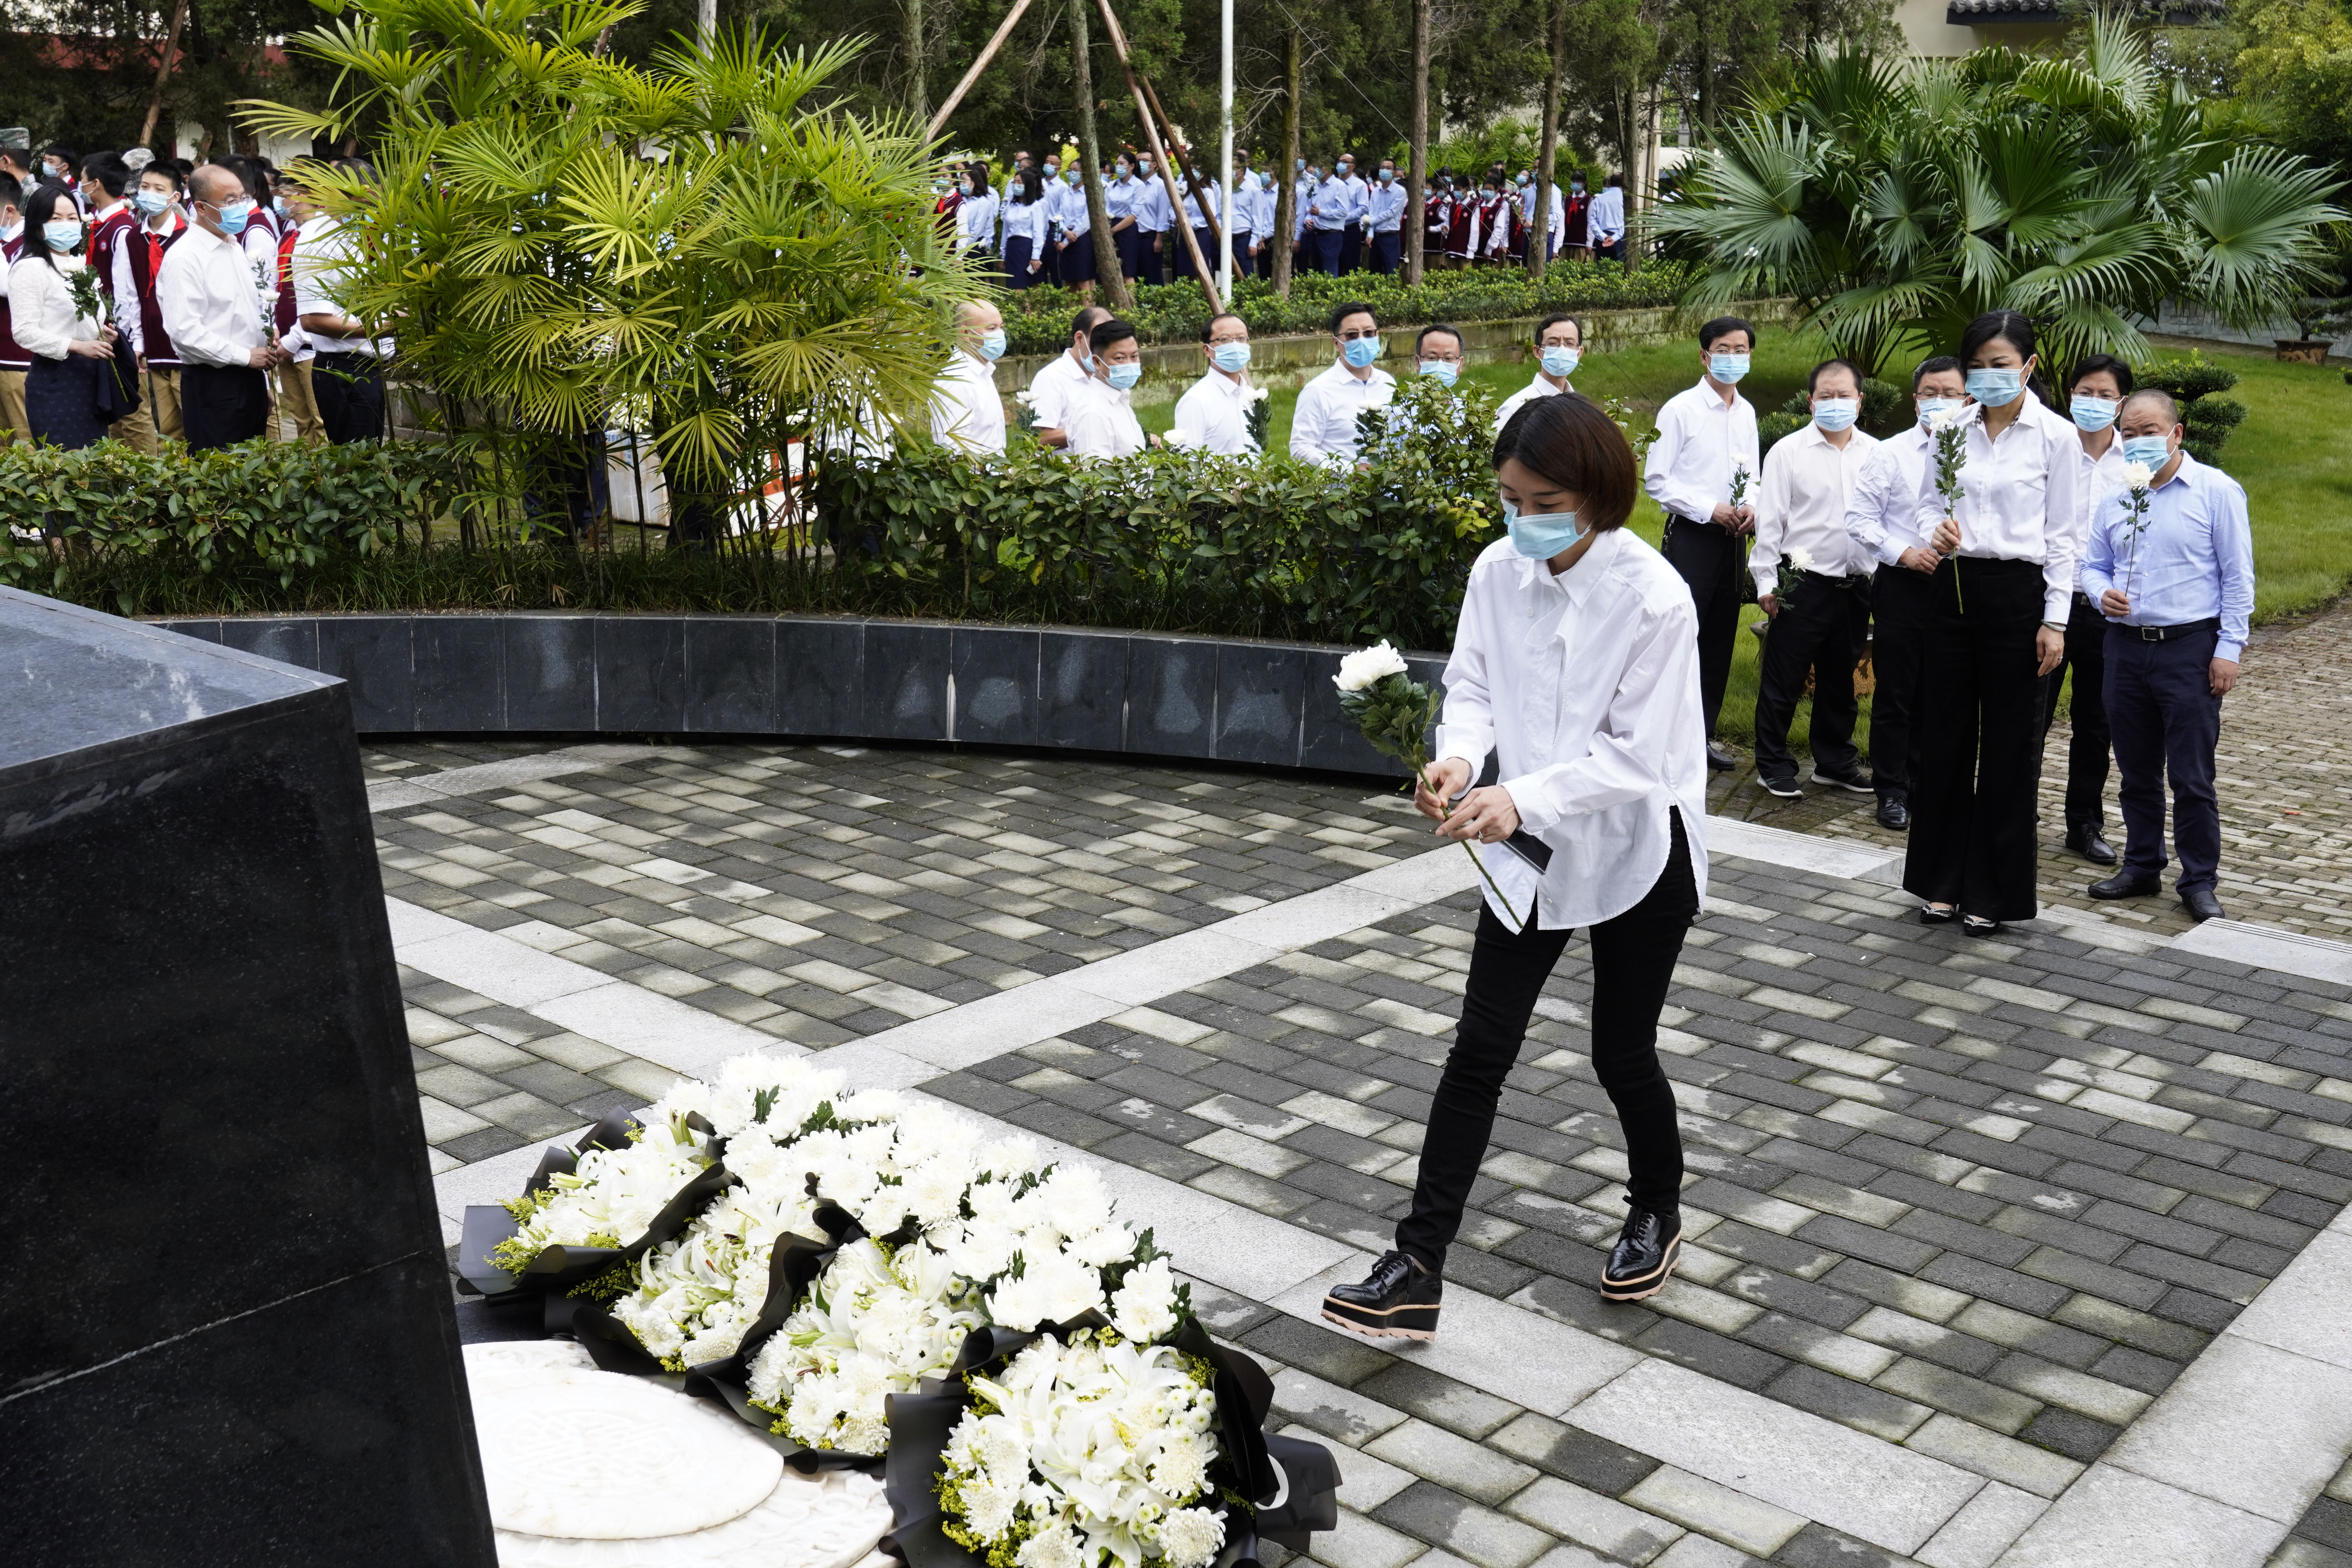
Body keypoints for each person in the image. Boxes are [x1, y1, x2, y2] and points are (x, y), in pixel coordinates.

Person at [1321, 392, 1709, 1340]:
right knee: (1478, 1049)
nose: (1522, 517)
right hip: (1523, 846)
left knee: (1620, 1049)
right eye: (1509, 496)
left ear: (1596, 495)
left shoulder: (1655, 596)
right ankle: (1416, 1263)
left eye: (1543, 501)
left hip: (1635, 846)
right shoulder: (1497, 568)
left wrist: (1519, 796)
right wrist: (1457, 758)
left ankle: (1655, 1206)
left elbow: (1637, 758)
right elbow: (1474, 685)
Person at [1905, 310, 2079, 934]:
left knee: (2009, 747)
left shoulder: (2056, 437)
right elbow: (1927, 499)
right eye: (1976, 366)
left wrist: (2054, 621)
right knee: (1946, 735)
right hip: (1952, 589)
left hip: (2018, 596)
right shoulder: (1949, 426)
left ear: (2029, 366)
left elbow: (2065, 536)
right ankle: (1939, 882)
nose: (1987, 376)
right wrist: (1937, 527)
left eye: (2000, 365)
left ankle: (1993, 891)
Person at [2078, 391, 2252, 923]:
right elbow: (2093, 564)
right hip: (2126, 649)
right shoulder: (2116, 497)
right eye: (2128, 433)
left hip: (2190, 650)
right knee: (2135, 770)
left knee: (2192, 776)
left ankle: (2199, 880)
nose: (2137, 442)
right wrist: (2098, 591)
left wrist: (2229, 649)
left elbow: (2237, 577)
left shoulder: (2215, 491)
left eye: (2149, 431)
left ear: (2176, 434)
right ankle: (2142, 864)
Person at [1748, 359, 1881, 798]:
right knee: (1784, 678)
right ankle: (1772, 764)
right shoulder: (1788, 452)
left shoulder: (1876, 454)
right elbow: (1770, 524)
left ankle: (1835, 762)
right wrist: (1766, 583)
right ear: (1811, 401)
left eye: (1845, 395)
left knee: (1841, 681)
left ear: (1860, 401)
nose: (1836, 403)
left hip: (1855, 585)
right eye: (1826, 395)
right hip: (1802, 584)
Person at [1844, 356, 1967, 831]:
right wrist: (1903, 553)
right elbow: (1859, 520)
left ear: (1967, 399)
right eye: (1930, 393)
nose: (1940, 402)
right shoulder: (1891, 453)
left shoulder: (1978, 451)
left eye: (1950, 394)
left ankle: (1927, 784)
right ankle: (1891, 788)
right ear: (1915, 400)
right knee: (1898, 692)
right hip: (1903, 583)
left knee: (1944, 693)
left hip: (1959, 588)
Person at [1643, 316, 1760, 772]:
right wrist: (1709, 508)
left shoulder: (1746, 412)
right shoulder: (1681, 410)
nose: (1733, 358)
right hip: (1693, 535)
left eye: (1741, 349)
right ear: (1704, 355)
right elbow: (1657, 479)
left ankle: (1702, 739)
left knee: (1718, 641)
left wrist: (1750, 505)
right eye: (1723, 349)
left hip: (1734, 540)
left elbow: (1751, 471)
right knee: (1681, 638)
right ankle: (1666, 741)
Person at [2044, 353, 2135, 866]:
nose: (2094, 403)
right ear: (2069, 395)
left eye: (2105, 395)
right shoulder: (2049, 450)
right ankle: (2015, 813)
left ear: (2121, 403)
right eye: (2085, 392)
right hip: (2047, 607)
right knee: (2029, 715)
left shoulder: (2135, 465)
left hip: (2107, 613)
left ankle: (2084, 822)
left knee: (2095, 722)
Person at [159, 164, 289, 451]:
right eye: (229, 201)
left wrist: (261, 382)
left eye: (242, 198)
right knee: (221, 478)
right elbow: (185, 332)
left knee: (253, 472)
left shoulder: (231, 244)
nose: (239, 207)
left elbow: (243, 312)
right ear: (202, 208)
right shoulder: (186, 257)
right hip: (214, 383)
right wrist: (244, 357)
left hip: (249, 376)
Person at [9, 182, 120, 449]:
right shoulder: (30, 268)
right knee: (68, 469)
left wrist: (102, 334)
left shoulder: (80, 267)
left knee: (96, 469)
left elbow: (81, 321)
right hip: (56, 381)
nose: (66, 224)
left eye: (72, 218)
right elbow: (23, 331)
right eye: (55, 219)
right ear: (38, 226)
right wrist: (77, 346)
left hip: (91, 379)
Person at [291, 163, 387, 444]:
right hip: (343, 369)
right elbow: (314, 320)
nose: (377, 204)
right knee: (356, 470)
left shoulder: (363, 230)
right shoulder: (317, 239)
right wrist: (381, 328)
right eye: (370, 197)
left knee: (373, 464)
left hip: (368, 367)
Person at [110, 159, 191, 449]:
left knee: (195, 420)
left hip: (188, 346)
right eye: (145, 187)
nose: (150, 194)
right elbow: (127, 293)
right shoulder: (131, 238)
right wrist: (137, 341)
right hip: (153, 346)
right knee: (168, 428)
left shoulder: (190, 236)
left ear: (175, 198)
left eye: (159, 189)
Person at [1290, 300, 1395, 466]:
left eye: (1368, 333)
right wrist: (1348, 471)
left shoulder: (1388, 383)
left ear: (1378, 336)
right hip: (1342, 489)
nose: (1361, 340)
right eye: (1352, 335)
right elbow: (1301, 448)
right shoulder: (1319, 391)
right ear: (1337, 343)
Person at [1167, 312, 1258, 455]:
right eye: (1224, 340)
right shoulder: (1197, 401)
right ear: (1207, 350)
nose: (1235, 345)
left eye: (1241, 339)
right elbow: (1188, 461)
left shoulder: (1249, 394)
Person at [930, 300, 1009, 456]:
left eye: (1001, 327)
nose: (1000, 334)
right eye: (991, 328)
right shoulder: (956, 381)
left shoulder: (983, 373)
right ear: (965, 333)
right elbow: (952, 451)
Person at [1062, 316, 1147, 459]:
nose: (1129, 364)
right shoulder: (1093, 413)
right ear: (1096, 362)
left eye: (1134, 356)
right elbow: (1095, 474)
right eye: (1120, 358)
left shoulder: (1120, 398)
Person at [1027, 304, 1109, 449]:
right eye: (1099, 341)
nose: (1104, 349)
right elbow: (1038, 440)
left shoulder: (1105, 375)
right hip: (1067, 470)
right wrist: (1088, 431)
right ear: (1079, 338)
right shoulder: (1051, 378)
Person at [1493, 313, 1581, 430]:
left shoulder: (1580, 407)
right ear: (1537, 351)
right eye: (1553, 343)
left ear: (1579, 353)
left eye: (1570, 343)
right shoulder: (1515, 408)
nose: (1562, 349)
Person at [0, 172, 27, 442]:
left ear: (9, 210)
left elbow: (8, 288)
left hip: (17, 356)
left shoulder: (29, 242)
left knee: (24, 439)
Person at [1050, 165, 1095, 300]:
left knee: (1083, 281)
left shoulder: (1088, 192)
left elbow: (1085, 222)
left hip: (1081, 239)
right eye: (1070, 170)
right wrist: (1064, 232)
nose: (1072, 173)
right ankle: (1071, 314)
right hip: (1066, 234)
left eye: (1076, 170)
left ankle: (1088, 314)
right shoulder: (1066, 192)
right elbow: (1059, 216)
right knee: (1069, 283)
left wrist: (1066, 241)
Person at [1000, 167, 1048, 290]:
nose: (1016, 185)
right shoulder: (1011, 205)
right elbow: (1006, 231)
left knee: (1023, 285)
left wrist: (1035, 257)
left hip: (1026, 247)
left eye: (1020, 183)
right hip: (1012, 247)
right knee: (1013, 285)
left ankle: (1027, 310)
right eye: (1015, 182)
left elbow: (1038, 233)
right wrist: (1003, 253)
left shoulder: (1035, 206)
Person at [1105, 153, 1145, 287]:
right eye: (1117, 163)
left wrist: (1113, 231)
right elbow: (1105, 207)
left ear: (1132, 166)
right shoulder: (1112, 185)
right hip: (1110, 225)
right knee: (1110, 271)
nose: (1118, 167)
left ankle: (1130, 305)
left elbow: (1134, 215)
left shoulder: (1138, 186)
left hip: (1127, 229)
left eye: (1122, 164)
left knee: (1127, 272)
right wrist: (1108, 230)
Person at [1307, 159, 1352, 276]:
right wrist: (1308, 219)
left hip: (1331, 236)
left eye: (1318, 167)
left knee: (1329, 271)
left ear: (1327, 168)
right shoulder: (1315, 185)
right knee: (1316, 270)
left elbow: (1343, 212)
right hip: (1315, 234)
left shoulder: (1339, 186)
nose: (1315, 170)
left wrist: (1320, 213)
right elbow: (1309, 208)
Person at [1131, 153, 1170, 287]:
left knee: (1152, 276)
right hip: (1132, 236)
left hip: (1150, 237)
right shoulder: (1135, 184)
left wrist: (1159, 238)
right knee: (1134, 276)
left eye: (1145, 161)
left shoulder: (1160, 186)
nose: (1141, 163)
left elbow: (1163, 213)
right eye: (1139, 161)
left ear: (1155, 165)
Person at [954, 162, 1000, 275]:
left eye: (964, 180)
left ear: (973, 183)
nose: (962, 183)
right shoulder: (961, 200)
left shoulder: (983, 203)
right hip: (958, 246)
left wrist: (963, 250)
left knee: (974, 283)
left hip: (973, 248)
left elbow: (977, 230)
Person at [1365, 159, 1406, 274]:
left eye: (1388, 168)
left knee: (1391, 271)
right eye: (1382, 168)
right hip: (1375, 238)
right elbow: (1371, 212)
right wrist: (1370, 234)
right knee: (1374, 273)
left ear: (1394, 172)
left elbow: (1391, 213)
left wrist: (1371, 222)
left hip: (1390, 237)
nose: (1384, 171)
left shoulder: (1400, 191)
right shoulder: (1375, 192)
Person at [1333, 153, 1367, 273]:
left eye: (1344, 162)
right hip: (1334, 229)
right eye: (1339, 161)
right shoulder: (1334, 183)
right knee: (1334, 263)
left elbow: (1363, 208)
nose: (1340, 164)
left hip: (1350, 229)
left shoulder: (1360, 185)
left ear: (1352, 166)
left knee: (1351, 264)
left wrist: (1343, 217)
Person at [1414, 323, 1465, 389]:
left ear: (1460, 364)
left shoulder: (1465, 399)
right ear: (1418, 362)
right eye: (1432, 358)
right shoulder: (1402, 399)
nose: (1440, 366)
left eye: (1449, 358)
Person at [1588, 173, 1626, 262]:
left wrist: (1603, 237)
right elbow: (1626, 221)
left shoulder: (1599, 199)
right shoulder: (1625, 200)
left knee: (1602, 270)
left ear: (1610, 183)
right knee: (1619, 270)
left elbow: (1592, 221)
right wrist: (1614, 238)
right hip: (1619, 239)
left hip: (1602, 239)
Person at [1561, 171, 1591, 260]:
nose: (1575, 184)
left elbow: (1591, 222)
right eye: (1573, 181)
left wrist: (1589, 242)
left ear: (1584, 183)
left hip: (1581, 243)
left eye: (1578, 182)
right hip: (1566, 242)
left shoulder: (1589, 200)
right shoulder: (1567, 199)